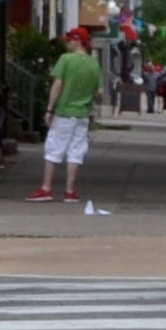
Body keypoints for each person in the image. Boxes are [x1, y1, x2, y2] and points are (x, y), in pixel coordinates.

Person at [33, 24, 103, 202]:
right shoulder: (94, 64)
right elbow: (99, 93)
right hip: (82, 114)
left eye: (69, 40)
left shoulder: (65, 59)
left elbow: (57, 84)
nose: (67, 44)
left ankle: (46, 188)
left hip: (64, 112)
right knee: (76, 151)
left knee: (54, 149)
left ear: (77, 40)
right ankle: (70, 191)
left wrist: (49, 108)